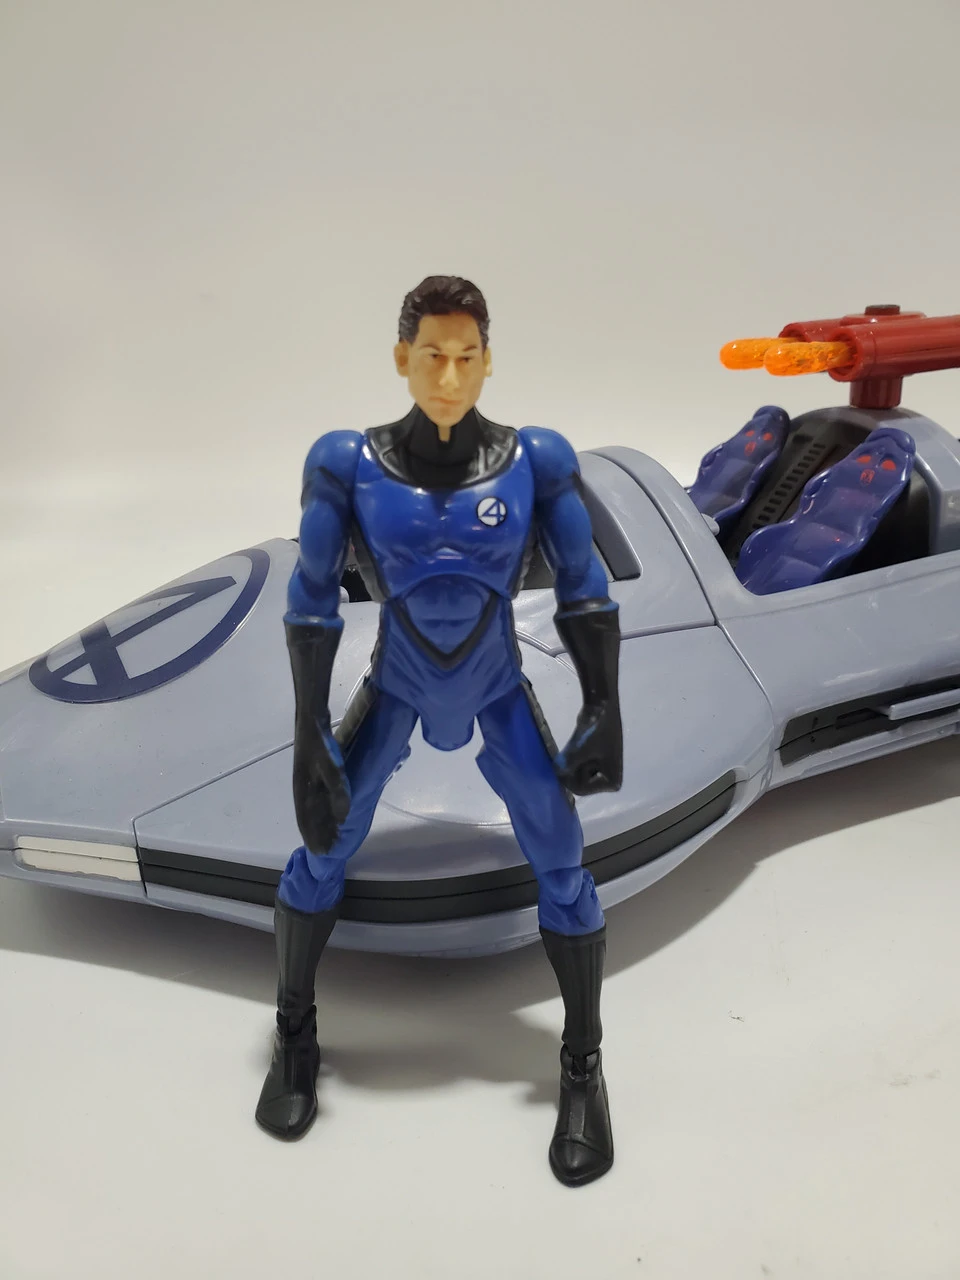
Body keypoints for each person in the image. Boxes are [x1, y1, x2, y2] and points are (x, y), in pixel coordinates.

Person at [255, 275, 623, 1187]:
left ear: (489, 361)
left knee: (563, 861)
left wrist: (601, 707)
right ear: (402, 359)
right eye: (432, 356)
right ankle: (294, 1034)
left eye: (467, 358)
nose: (450, 378)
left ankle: (583, 1066)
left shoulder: (537, 459)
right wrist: (309, 735)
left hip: (495, 680)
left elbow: (585, 588)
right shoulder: (348, 463)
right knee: (322, 847)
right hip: (401, 681)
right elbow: (310, 601)